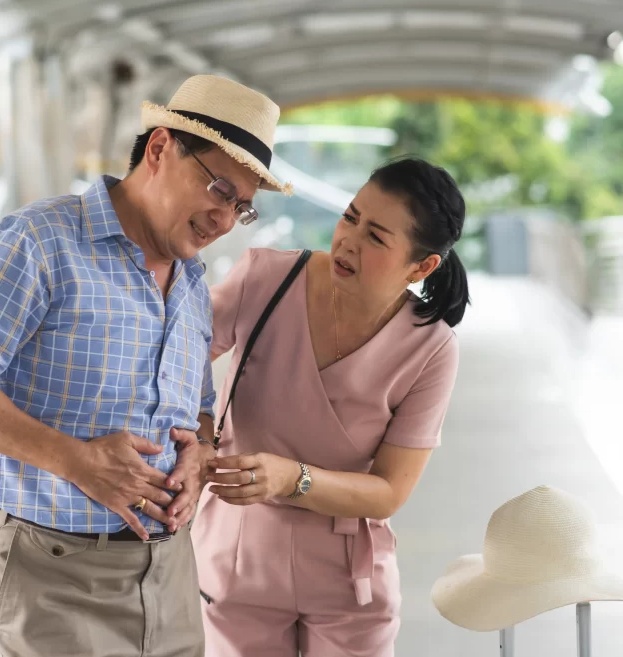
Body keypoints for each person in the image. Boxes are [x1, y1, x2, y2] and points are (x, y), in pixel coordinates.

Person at [0, 74, 292, 657]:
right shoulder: (38, 240)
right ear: (159, 149)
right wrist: (76, 461)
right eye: (218, 189)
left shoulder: (188, 281)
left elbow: (198, 410)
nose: (225, 219)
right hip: (50, 567)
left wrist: (200, 453)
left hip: (168, 570)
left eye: (242, 208)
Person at [193, 157, 469, 657]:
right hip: (238, 554)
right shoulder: (265, 278)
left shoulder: (431, 348)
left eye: (377, 237)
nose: (348, 241)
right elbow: (170, 358)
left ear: (422, 265)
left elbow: (389, 491)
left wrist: (289, 477)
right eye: (350, 217)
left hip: (348, 577)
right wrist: (202, 429)